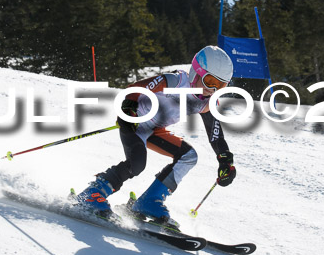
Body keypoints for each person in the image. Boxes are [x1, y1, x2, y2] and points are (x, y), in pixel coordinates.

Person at [75, 45, 237, 227]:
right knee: (137, 164)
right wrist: (128, 109)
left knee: (189, 156)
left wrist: (225, 160)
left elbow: (215, 134)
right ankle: (93, 193)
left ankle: (148, 202)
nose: (213, 90)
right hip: (135, 121)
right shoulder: (175, 81)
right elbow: (136, 88)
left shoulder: (207, 102)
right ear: (196, 72)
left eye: (221, 85)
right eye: (210, 82)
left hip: (155, 130)